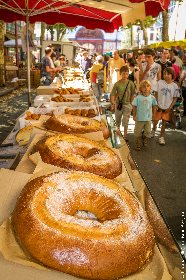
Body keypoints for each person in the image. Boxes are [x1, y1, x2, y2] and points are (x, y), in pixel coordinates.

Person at [151, 67, 180, 145]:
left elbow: (175, 98)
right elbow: (156, 93)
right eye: (165, 74)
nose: (166, 75)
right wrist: (156, 103)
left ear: (172, 75)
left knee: (164, 123)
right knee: (155, 121)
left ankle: (161, 137)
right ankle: (153, 130)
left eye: (168, 74)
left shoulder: (175, 86)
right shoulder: (160, 82)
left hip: (167, 108)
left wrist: (170, 107)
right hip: (158, 106)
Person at [110, 66, 136, 141]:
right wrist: (113, 103)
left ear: (128, 74)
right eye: (123, 74)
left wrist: (131, 103)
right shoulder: (117, 84)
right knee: (117, 119)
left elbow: (133, 94)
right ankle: (117, 133)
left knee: (126, 120)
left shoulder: (131, 83)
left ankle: (125, 135)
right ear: (120, 74)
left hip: (127, 104)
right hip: (119, 104)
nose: (125, 75)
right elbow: (113, 94)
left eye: (126, 74)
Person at [132, 80, 157, 151]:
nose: (145, 88)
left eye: (147, 86)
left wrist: (154, 114)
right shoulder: (138, 98)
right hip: (139, 118)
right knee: (137, 132)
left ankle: (144, 138)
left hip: (148, 118)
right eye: (143, 87)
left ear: (150, 88)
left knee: (148, 132)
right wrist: (134, 115)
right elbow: (134, 106)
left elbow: (154, 105)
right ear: (141, 89)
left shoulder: (152, 97)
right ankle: (138, 144)